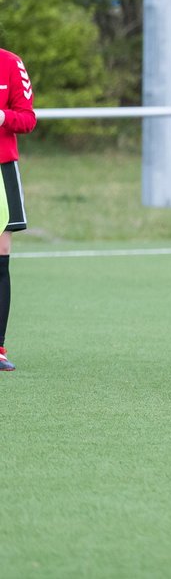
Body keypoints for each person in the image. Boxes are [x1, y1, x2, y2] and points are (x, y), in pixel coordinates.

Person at [0, 47, 36, 372]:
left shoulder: (10, 63)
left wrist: (3, 117)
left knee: (0, 259)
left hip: (1, 170)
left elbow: (28, 118)